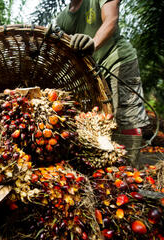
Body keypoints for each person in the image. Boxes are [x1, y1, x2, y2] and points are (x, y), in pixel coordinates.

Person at [52, 0, 150, 167]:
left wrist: (93, 44)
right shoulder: (63, 18)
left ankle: (130, 170)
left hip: (118, 60)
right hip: (96, 72)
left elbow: (111, 19)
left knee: (126, 117)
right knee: (99, 121)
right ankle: (113, 164)